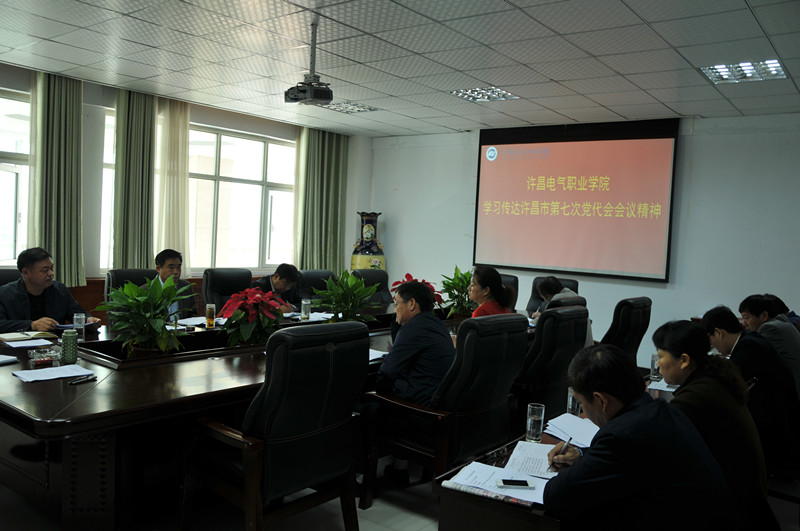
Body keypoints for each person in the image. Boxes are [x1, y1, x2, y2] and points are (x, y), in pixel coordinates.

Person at [544, 344, 732, 531]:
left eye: (581, 402)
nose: (583, 409)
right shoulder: (659, 410)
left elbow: (556, 498)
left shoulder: (622, 435)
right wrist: (582, 455)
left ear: (601, 400)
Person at [652, 320, 778, 530]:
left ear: (684, 360)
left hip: (732, 510)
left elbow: (658, 448)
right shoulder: (716, 377)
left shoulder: (696, 397)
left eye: (660, 356)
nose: (657, 364)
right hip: (750, 503)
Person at [701, 305, 800, 477]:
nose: (713, 347)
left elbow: (723, 385)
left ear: (718, 332)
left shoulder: (748, 349)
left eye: (710, 340)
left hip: (776, 432)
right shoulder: (750, 339)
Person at [377, 281, 455, 407]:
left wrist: (377, 394)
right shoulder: (437, 324)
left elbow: (387, 371)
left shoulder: (414, 328)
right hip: (438, 401)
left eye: (397, 304)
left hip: (419, 408)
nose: (395, 310)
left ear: (412, 303)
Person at [0, 247, 100, 333]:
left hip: (54, 344)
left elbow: (76, 313)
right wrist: (32, 325)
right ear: (26, 273)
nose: (51, 273)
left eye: (52, 268)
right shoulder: (5, 294)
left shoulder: (59, 290)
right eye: (45, 270)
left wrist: (88, 320)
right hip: (17, 347)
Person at [739, 293, 800, 400]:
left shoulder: (770, 329)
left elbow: (754, 360)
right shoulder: (782, 323)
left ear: (764, 316)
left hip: (792, 394)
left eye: (747, 318)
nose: (744, 323)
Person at [531, 276, 593, 347]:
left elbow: (541, 321)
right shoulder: (575, 295)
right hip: (585, 347)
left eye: (543, 298)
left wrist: (533, 321)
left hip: (569, 348)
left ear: (548, 296)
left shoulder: (556, 300)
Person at [146, 249, 198, 319]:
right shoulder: (146, 291)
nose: (176, 272)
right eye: (171, 267)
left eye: (178, 267)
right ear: (158, 268)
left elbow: (193, 314)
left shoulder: (185, 287)